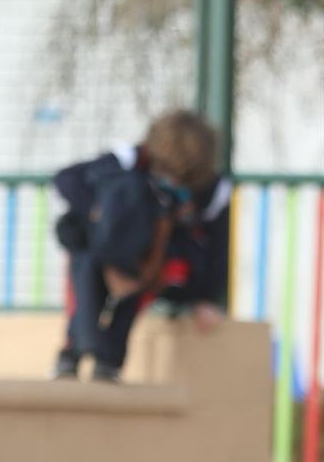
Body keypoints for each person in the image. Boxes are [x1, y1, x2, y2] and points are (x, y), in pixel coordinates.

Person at [52, 110, 230, 382]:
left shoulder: (210, 190)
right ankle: (74, 350)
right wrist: (97, 211)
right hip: (107, 246)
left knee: (142, 282)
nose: (173, 182)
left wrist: (207, 299)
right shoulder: (130, 160)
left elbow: (218, 248)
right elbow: (66, 179)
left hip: (155, 262)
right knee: (88, 267)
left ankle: (108, 359)